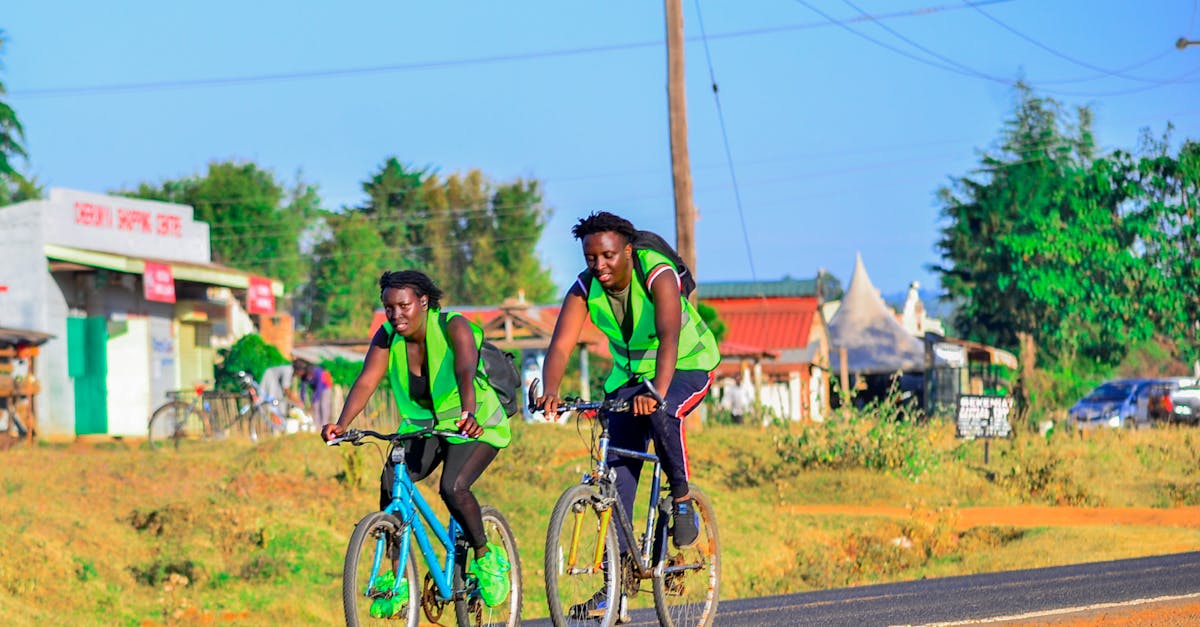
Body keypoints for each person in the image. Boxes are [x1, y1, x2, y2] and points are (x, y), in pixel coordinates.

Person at [322, 270, 512, 612]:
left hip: (475, 424)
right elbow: (367, 381)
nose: (396, 315)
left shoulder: (453, 326)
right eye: (388, 308)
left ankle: (486, 556)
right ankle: (398, 581)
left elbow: (465, 370)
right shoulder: (386, 337)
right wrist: (341, 424)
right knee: (390, 481)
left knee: (453, 487)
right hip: (423, 428)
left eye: (403, 306)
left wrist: (469, 413)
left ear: (423, 302)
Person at [536, 211, 721, 549]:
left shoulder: (657, 272)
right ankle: (617, 577)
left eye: (607, 255)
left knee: (661, 412)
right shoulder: (583, 289)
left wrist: (657, 393)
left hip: (685, 364)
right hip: (632, 376)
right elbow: (561, 345)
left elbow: (668, 336)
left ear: (628, 251)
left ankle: (681, 499)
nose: (599, 265)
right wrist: (551, 390)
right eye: (591, 258)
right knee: (615, 473)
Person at [292, 358, 332, 429]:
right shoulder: (303, 376)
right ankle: (318, 427)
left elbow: (320, 386)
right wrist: (302, 401)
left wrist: (315, 399)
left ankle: (324, 425)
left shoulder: (317, 371)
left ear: (301, 370)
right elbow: (303, 389)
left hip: (325, 387)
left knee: (323, 405)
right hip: (316, 389)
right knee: (315, 406)